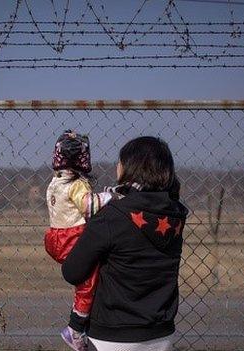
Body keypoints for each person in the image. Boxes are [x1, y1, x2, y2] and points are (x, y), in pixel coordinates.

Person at [62, 136, 188, 351]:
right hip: (161, 333)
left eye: (120, 162)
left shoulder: (112, 215)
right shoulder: (174, 214)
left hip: (112, 335)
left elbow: (72, 272)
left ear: (129, 168)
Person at [44, 130, 118, 351]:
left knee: (84, 275)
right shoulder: (76, 185)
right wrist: (111, 196)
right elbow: (89, 207)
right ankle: (75, 329)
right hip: (72, 237)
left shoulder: (54, 183)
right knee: (87, 282)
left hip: (55, 238)